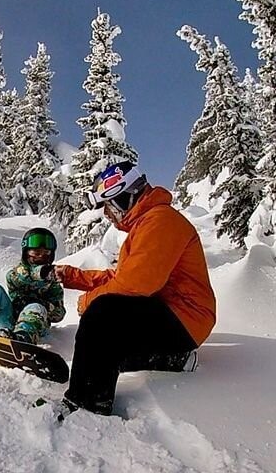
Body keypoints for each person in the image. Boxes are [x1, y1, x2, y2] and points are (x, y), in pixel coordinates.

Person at [53, 161, 216, 417]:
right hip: (174, 314)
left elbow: (136, 284)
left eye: (107, 205)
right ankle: (175, 360)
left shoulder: (160, 221)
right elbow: (122, 277)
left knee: (103, 313)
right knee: (107, 342)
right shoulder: (147, 224)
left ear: (124, 197)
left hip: (185, 317)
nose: (107, 214)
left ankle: (87, 403)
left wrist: (89, 302)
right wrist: (73, 277)